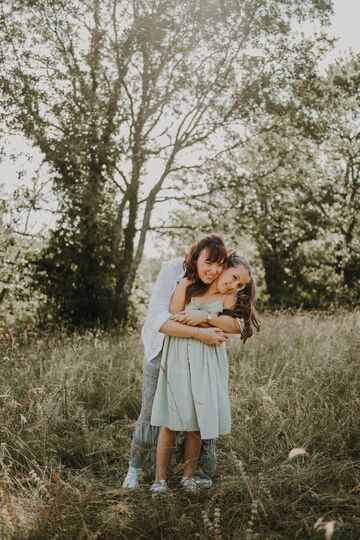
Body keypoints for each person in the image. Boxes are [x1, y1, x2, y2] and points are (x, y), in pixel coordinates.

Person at [123, 235, 244, 489]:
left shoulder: (223, 282)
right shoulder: (174, 271)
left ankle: (195, 472)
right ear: (195, 257)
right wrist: (202, 331)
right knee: (153, 411)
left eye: (219, 264)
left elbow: (237, 322)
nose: (214, 270)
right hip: (165, 350)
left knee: (199, 413)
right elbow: (160, 318)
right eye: (209, 262)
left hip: (202, 356)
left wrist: (208, 317)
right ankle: (137, 468)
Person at [149, 252, 259, 493]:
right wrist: (206, 323)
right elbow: (175, 314)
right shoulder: (190, 284)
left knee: (196, 422)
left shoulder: (228, 297)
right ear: (223, 267)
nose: (235, 285)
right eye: (234, 277)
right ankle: (159, 480)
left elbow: (233, 325)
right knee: (169, 420)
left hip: (207, 361)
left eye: (240, 284)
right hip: (177, 357)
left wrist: (204, 317)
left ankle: (188, 477)